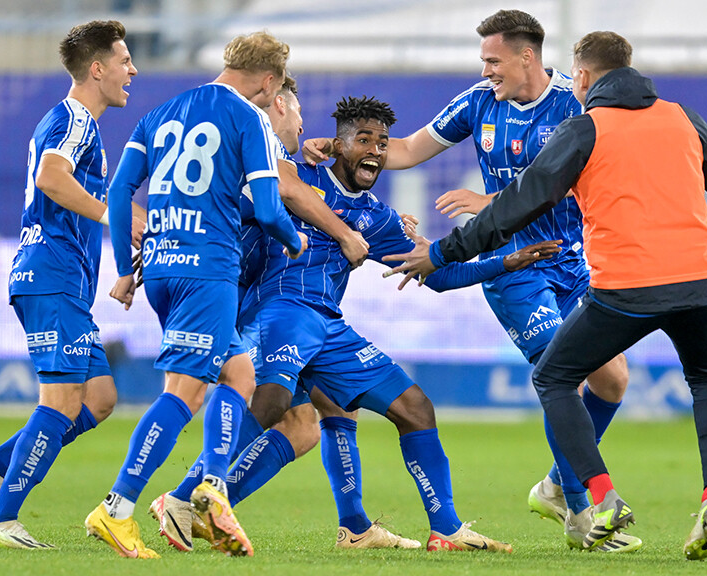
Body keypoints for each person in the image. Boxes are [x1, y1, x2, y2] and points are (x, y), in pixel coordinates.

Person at [383, 31, 707, 561]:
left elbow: (518, 204)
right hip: (698, 280)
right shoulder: (681, 116)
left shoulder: (583, 125)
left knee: (557, 376)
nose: (486, 70)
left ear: (580, 76)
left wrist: (444, 253)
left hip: (622, 285)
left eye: (493, 59)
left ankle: (591, 498)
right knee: (705, 378)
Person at [148, 88, 557, 553]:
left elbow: (436, 274)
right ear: (337, 145)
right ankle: (186, 499)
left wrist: (503, 262)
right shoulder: (293, 180)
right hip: (276, 311)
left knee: (412, 408)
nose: (376, 151)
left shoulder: (377, 218)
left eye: (383, 143)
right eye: (364, 140)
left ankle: (441, 529)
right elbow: (231, 206)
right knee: (275, 401)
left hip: (326, 325)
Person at [303, 9, 638, 553]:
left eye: (493, 60)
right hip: (514, 268)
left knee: (614, 381)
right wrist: (338, 144)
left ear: (527, 56)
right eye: (482, 61)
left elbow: (593, 181)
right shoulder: (479, 102)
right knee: (568, 376)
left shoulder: (576, 105)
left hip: (574, 260)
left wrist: (492, 201)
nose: (485, 70)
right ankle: (583, 514)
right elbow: (408, 149)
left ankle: (555, 484)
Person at [88, 30, 309, 559]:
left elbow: (119, 191)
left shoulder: (163, 111)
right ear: (270, 80)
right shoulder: (250, 117)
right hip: (208, 268)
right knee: (184, 392)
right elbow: (269, 204)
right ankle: (116, 509)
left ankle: (212, 487)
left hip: (162, 265)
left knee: (238, 375)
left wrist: (123, 267)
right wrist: (293, 238)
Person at [0, 20, 140, 550]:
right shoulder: (74, 118)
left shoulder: (82, 124)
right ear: (97, 68)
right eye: (125, 61)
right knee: (60, 402)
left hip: (63, 280)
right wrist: (111, 214)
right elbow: (51, 180)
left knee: (99, 398)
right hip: (49, 275)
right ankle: (0, 519)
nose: (133, 71)